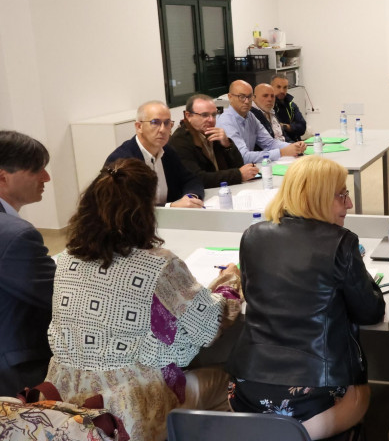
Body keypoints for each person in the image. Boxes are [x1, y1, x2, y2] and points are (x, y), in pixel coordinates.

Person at [46, 158, 243, 441]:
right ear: (145, 210)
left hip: (66, 403)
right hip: (128, 410)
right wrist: (230, 282)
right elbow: (209, 326)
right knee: (227, 380)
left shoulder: (64, 260)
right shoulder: (158, 265)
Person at [227, 156, 384, 440]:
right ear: (320, 197)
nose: (349, 204)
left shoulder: (252, 236)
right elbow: (371, 311)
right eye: (342, 195)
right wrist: (359, 269)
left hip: (247, 388)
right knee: (364, 394)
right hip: (314, 395)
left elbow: (252, 293)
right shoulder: (342, 242)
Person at [0, 131, 55, 395]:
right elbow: (61, 297)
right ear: (3, 176)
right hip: (17, 369)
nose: (46, 177)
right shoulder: (16, 235)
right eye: (37, 170)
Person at [106, 100, 204, 208]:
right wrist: (171, 207)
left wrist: (190, 197)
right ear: (139, 127)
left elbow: (191, 179)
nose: (163, 129)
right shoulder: (122, 160)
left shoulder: (167, 151)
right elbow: (127, 207)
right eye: (155, 122)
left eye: (167, 123)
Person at [169, 94, 259, 189]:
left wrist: (227, 145)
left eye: (214, 115)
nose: (211, 120)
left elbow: (238, 165)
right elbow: (197, 178)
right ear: (188, 116)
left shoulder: (212, 133)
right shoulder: (180, 140)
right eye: (204, 115)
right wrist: (238, 175)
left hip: (223, 190)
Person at [218, 80, 306, 163]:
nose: (247, 101)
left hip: (250, 168)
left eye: (249, 97)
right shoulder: (226, 121)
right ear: (230, 97)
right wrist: (281, 152)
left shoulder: (250, 116)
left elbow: (269, 143)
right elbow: (243, 157)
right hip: (235, 172)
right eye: (242, 97)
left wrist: (294, 146)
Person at [272, 75, 308, 141]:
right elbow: (275, 131)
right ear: (271, 87)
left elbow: (302, 127)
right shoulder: (270, 106)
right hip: (281, 145)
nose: (282, 91)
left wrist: (285, 126)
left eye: (285, 87)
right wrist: (291, 127)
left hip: (296, 143)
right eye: (278, 87)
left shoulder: (291, 105)